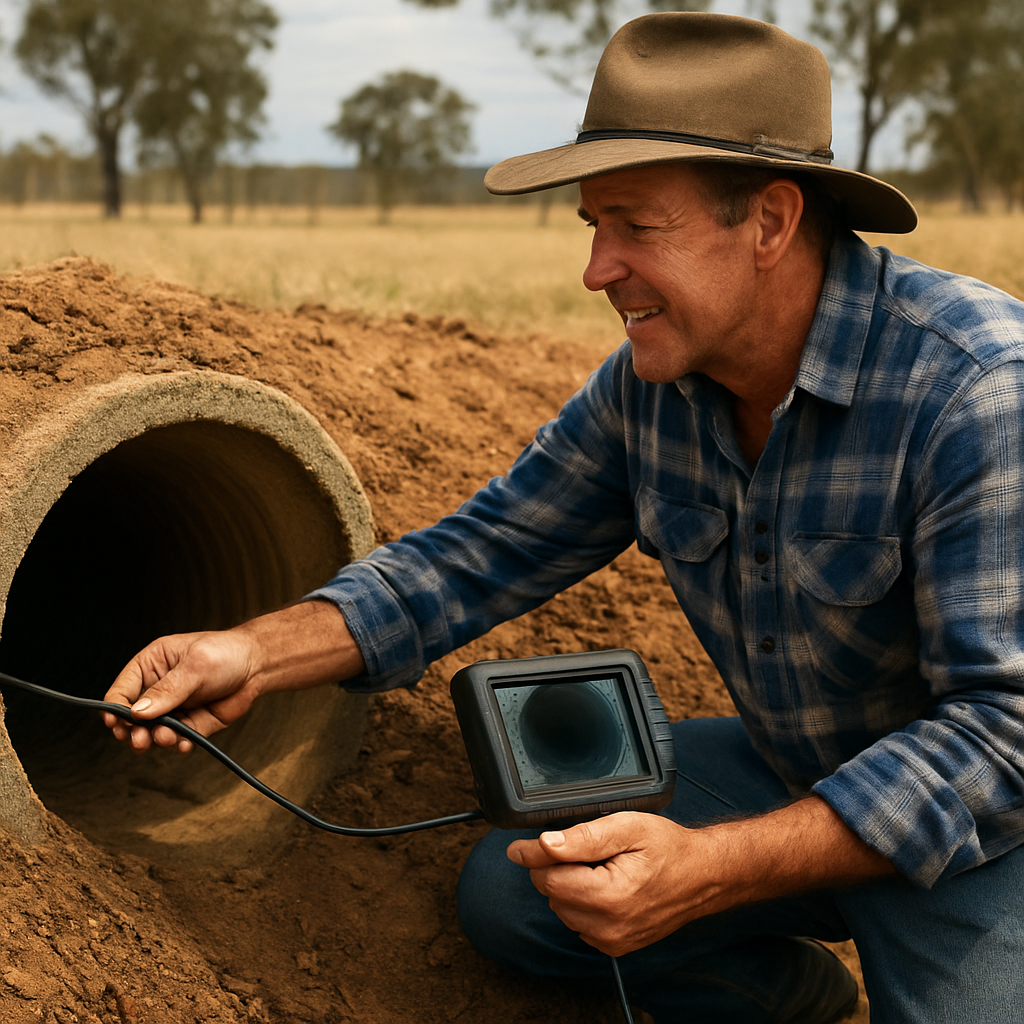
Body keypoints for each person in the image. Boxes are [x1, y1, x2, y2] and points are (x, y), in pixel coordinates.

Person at [103, 13, 1024, 1024]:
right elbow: (482, 551)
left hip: (989, 829)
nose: (596, 269)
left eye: (635, 225)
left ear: (768, 222)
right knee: (521, 894)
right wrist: (253, 651)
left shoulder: (974, 390)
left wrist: (708, 866)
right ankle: (787, 1001)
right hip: (796, 760)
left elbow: (1001, 734)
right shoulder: (651, 390)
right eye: (593, 225)